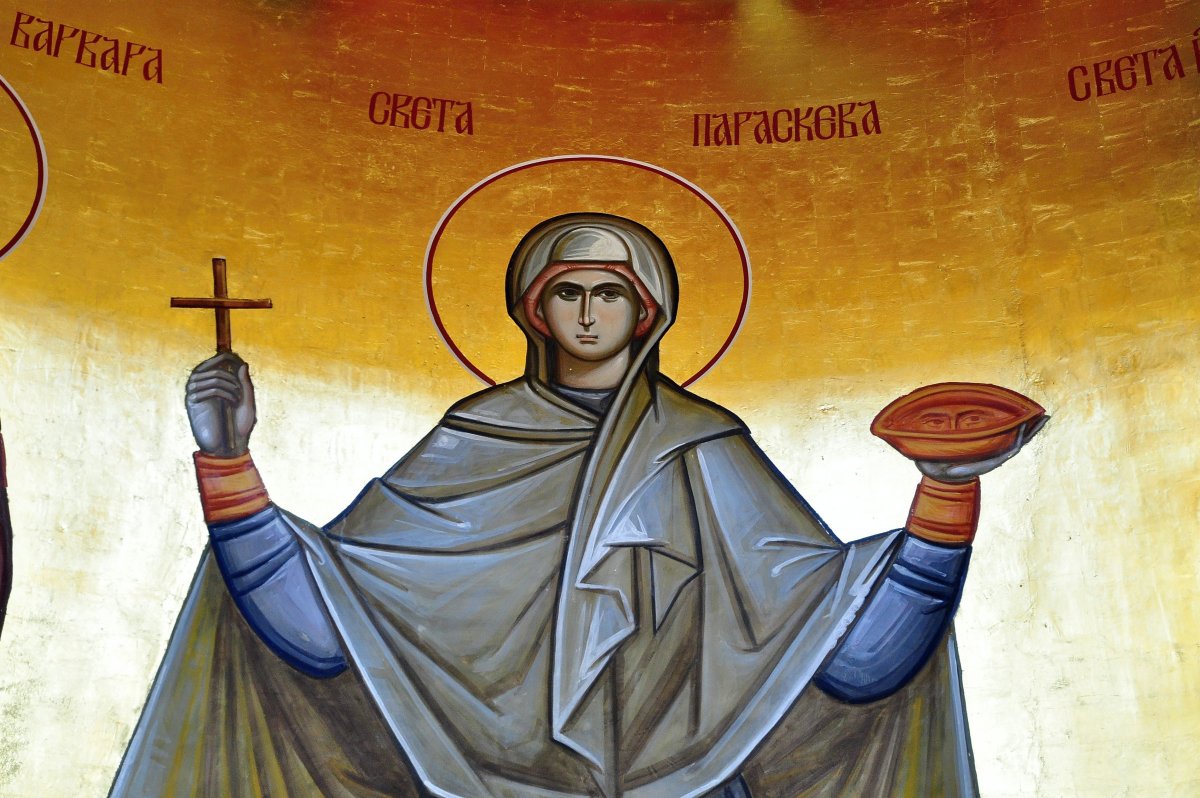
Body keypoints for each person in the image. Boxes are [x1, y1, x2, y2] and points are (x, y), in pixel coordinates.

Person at [111, 213, 1040, 797]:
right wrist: (228, 462)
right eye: (567, 292)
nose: (588, 314)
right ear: (534, 310)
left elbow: (852, 654)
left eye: (608, 294)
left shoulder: (703, 449)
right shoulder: (473, 443)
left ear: (646, 314)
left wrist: (944, 496)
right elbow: (330, 628)